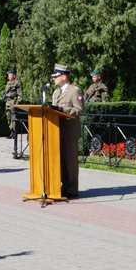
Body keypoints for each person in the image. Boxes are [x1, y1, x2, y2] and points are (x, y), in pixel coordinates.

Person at [50, 64, 84, 198]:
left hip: (69, 132)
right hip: (56, 131)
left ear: (64, 77)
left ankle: (72, 189)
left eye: (56, 76)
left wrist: (63, 110)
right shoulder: (56, 92)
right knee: (61, 162)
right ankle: (64, 187)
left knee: (70, 162)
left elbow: (79, 110)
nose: (54, 78)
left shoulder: (74, 91)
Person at [1, 69, 22, 139]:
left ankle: (15, 133)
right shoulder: (8, 83)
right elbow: (5, 92)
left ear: (14, 75)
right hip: (8, 103)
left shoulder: (17, 83)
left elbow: (19, 94)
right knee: (9, 118)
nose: (9, 76)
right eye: (8, 75)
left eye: (10, 75)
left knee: (13, 119)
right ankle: (11, 132)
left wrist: (17, 104)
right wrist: (4, 96)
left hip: (13, 103)